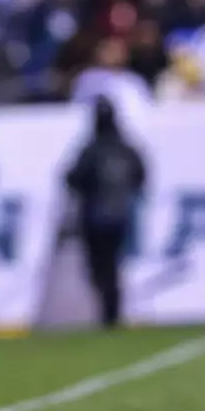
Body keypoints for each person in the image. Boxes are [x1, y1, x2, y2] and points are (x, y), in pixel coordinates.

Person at [64, 97, 146, 328]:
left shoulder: (92, 150)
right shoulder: (125, 149)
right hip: (120, 216)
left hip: (95, 217)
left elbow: (72, 178)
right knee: (112, 265)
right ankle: (112, 312)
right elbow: (140, 176)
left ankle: (109, 313)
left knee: (100, 267)